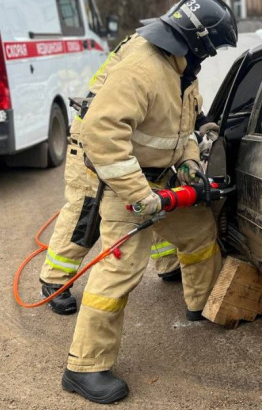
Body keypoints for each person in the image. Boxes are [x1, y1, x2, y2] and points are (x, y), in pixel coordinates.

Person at [60, 0, 237, 404]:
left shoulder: (181, 70)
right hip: (130, 190)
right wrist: (142, 196)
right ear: (196, 40)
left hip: (166, 181)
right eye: (209, 50)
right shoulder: (142, 67)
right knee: (119, 273)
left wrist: (192, 167)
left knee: (198, 234)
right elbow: (100, 134)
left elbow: (185, 129)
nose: (208, 58)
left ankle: (202, 305)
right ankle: (84, 367)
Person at [37, 36, 186, 316]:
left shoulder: (166, 50)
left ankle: (167, 264)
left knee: (153, 195)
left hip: (129, 137)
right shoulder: (146, 56)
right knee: (86, 212)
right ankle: (54, 280)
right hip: (95, 141)